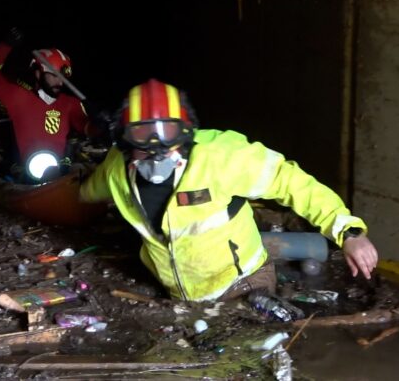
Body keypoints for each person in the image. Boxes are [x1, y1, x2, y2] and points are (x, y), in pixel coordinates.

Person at [80, 79, 378, 301]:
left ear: (186, 133)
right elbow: (85, 193)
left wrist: (349, 232)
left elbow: (292, 182)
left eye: (168, 137)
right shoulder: (115, 169)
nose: (157, 151)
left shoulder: (223, 156)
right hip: (180, 293)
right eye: (143, 138)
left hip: (243, 283)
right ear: (123, 140)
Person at [0, 42, 100, 179]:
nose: (60, 83)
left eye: (63, 78)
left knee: (83, 170)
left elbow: (85, 127)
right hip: (27, 171)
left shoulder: (70, 103)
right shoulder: (18, 97)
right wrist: (5, 45)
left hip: (60, 169)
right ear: (38, 73)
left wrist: (99, 124)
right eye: (54, 75)